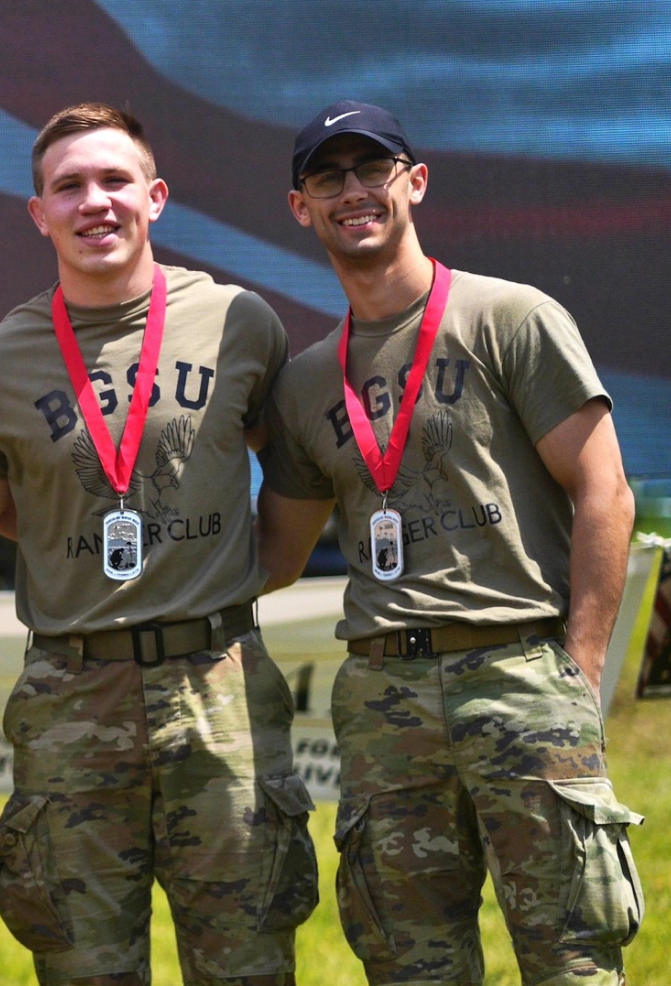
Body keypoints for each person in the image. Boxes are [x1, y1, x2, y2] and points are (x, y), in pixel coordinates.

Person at [0, 103, 317, 985]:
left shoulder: (239, 322)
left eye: (114, 181)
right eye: (69, 187)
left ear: (156, 196)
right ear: (38, 212)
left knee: (247, 961)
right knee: (82, 965)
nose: (94, 202)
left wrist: (249, 574)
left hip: (221, 690)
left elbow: (296, 474)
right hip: (71, 696)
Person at [257, 100, 643, 986]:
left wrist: (578, 673)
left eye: (372, 169)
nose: (352, 191)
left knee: (573, 962)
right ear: (300, 207)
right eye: (328, 176)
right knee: (408, 964)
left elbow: (604, 495)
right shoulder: (307, 380)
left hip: (520, 673)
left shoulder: (511, 316)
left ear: (415, 183)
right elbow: (273, 557)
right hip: (384, 700)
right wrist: (59, 535)